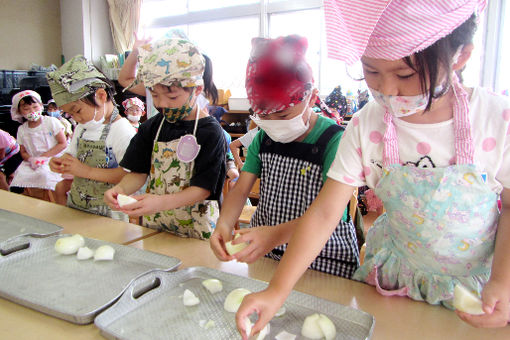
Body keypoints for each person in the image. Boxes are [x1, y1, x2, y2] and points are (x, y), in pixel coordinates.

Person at [235, 0, 510, 337]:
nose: (387, 90)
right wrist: (277, 291)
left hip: (480, 286)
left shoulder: (496, 120)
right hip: (394, 282)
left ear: (460, 56)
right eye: (372, 71)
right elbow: (324, 214)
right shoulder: (368, 124)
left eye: (406, 74)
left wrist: (503, 280)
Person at [210, 35, 359, 277]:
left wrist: (276, 234)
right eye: (263, 117)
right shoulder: (262, 138)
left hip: (324, 260)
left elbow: (329, 215)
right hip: (268, 255)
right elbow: (241, 189)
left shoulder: (334, 140)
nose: (272, 124)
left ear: (311, 97)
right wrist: (224, 223)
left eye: (281, 116)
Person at [105, 32, 226, 240]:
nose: (161, 104)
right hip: (156, 224)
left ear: (196, 90)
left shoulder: (210, 132)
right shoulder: (153, 126)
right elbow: (139, 172)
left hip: (197, 230)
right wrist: (120, 189)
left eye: (171, 96)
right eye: (154, 95)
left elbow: (203, 189)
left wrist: (160, 202)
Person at [46, 55, 136, 219]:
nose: (76, 118)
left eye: (77, 110)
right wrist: (61, 161)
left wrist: (86, 171)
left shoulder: (122, 131)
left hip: (109, 212)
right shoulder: (83, 127)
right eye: (70, 114)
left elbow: (128, 175)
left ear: (101, 96)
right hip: (78, 203)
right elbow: (71, 153)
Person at [9, 90, 67, 199]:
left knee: (45, 174)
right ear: (19, 112)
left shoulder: (51, 122)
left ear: (41, 106)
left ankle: (52, 202)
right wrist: (31, 159)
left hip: (54, 159)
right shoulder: (22, 129)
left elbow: (62, 143)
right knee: (21, 174)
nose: (31, 111)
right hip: (33, 162)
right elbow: (23, 151)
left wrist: (43, 157)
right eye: (26, 109)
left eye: (35, 107)